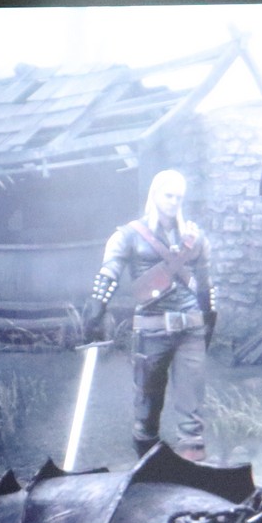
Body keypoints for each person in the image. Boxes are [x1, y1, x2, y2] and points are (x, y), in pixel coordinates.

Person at [82, 170, 217, 460]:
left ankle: (192, 468)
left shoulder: (194, 237)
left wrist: (210, 316)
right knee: (147, 407)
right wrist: (97, 304)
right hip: (151, 328)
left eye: (179, 197)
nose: (174, 202)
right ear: (155, 194)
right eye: (168, 195)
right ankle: (149, 467)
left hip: (190, 328)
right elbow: (110, 270)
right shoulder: (129, 235)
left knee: (192, 413)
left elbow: (205, 282)